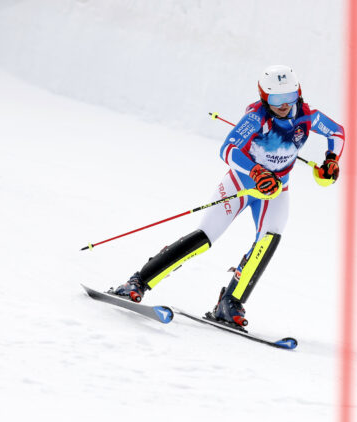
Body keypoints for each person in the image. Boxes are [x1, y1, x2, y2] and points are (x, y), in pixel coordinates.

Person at [112, 65, 344, 328]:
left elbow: (337, 132)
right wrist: (256, 171)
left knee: (269, 240)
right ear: (264, 97)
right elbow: (228, 149)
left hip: (276, 189)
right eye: (276, 99)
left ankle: (230, 302)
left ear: (298, 93)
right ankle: (137, 282)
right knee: (205, 237)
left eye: (290, 97)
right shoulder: (256, 118)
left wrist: (331, 160)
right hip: (241, 184)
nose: (283, 105)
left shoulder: (308, 116)